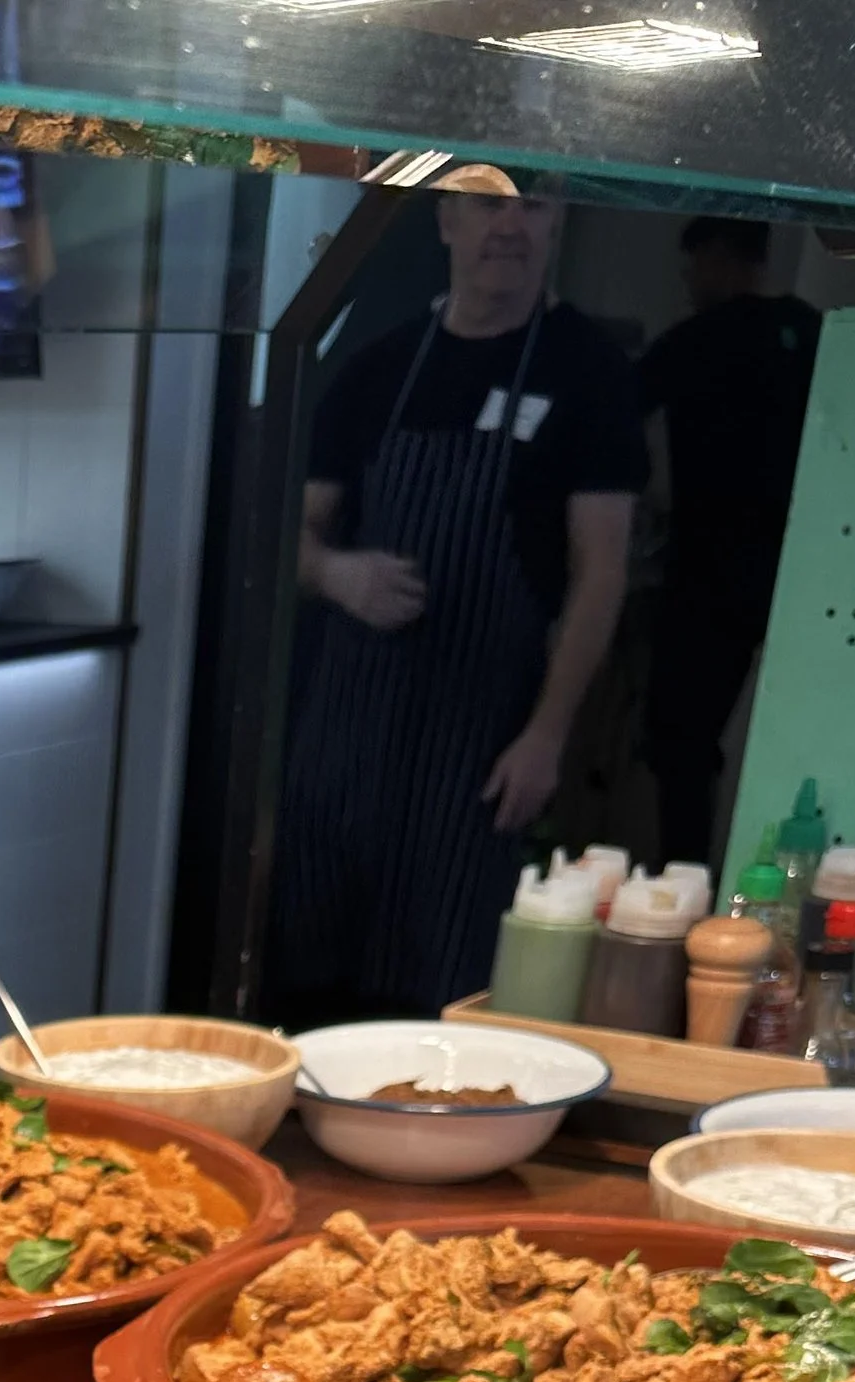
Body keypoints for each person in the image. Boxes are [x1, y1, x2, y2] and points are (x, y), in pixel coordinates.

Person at [271, 172, 645, 1023]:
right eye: (487, 204)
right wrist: (337, 574)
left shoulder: (589, 373)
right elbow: (288, 535)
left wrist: (547, 736)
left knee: (445, 998)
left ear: (556, 223)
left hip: (483, 748)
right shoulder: (378, 367)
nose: (509, 225)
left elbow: (602, 572)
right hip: (344, 742)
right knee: (308, 978)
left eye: (532, 206)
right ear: (446, 221)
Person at [639, 218, 821, 869]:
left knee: (681, 739)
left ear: (719, 258)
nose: (689, 282)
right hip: (802, 567)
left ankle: (686, 874)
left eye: (693, 266)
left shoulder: (695, 341)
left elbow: (616, 416)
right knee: (800, 737)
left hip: (706, 568)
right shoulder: (812, 333)